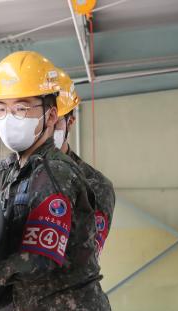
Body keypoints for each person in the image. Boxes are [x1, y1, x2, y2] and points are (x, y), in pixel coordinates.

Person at [0, 67, 117, 311]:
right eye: (2, 108)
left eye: (22, 108)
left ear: (56, 116)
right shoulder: (8, 171)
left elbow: (45, 257)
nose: (10, 118)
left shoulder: (57, 172)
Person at [53, 68, 116, 255]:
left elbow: (84, 257)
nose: (45, 128)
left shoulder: (95, 185)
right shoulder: (5, 173)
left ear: (70, 122)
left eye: (53, 121)